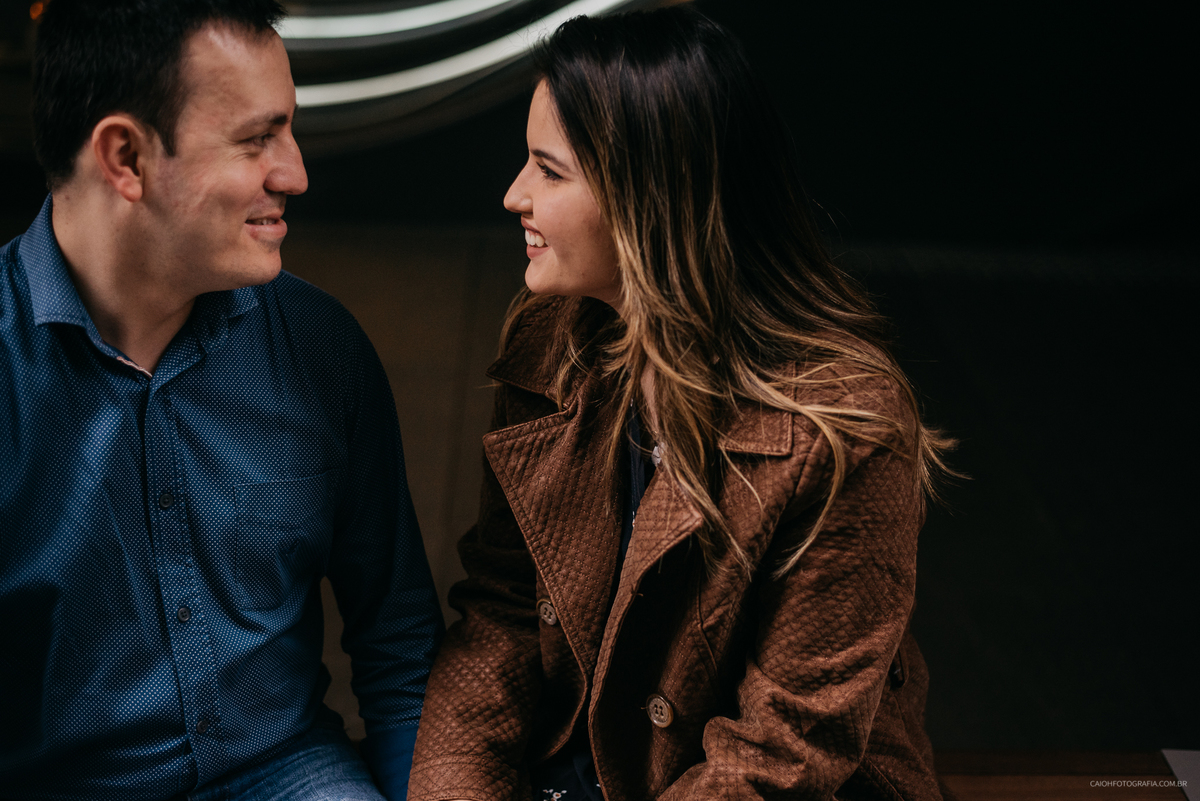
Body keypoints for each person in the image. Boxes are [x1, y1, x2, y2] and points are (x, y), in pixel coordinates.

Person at [408, 7, 955, 801]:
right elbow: (503, 618)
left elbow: (783, 754)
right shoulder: (550, 340)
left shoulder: (847, 430)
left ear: (647, 198)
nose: (513, 195)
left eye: (549, 171)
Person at [0, 1, 442, 798]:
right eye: (255, 139)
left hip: (291, 772)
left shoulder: (321, 346)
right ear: (126, 157)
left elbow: (399, 637)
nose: (296, 173)